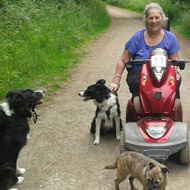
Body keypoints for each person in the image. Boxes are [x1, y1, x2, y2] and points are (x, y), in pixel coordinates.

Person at [109, 2, 181, 100]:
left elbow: (175, 59)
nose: (154, 21)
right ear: (146, 20)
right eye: (150, 18)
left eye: (157, 17)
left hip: (163, 74)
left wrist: (174, 71)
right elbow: (123, 60)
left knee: (174, 92)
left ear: (162, 19)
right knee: (139, 102)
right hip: (139, 73)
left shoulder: (170, 38)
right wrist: (116, 80)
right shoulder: (137, 37)